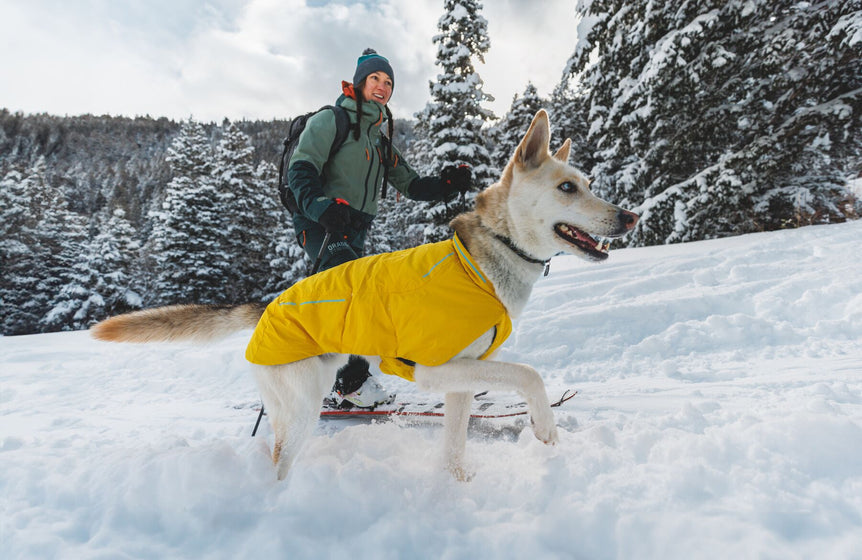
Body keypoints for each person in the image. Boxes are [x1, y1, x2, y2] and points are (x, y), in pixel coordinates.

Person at [284, 48, 471, 408]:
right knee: (351, 297)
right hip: (320, 221)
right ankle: (349, 384)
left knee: (355, 298)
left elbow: (412, 185)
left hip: (354, 228)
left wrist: (447, 184)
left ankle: (324, 378)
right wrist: (321, 207)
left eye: (388, 82)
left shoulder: (379, 141)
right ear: (360, 82)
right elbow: (301, 168)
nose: (382, 87)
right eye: (375, 79)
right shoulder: (331, 120)